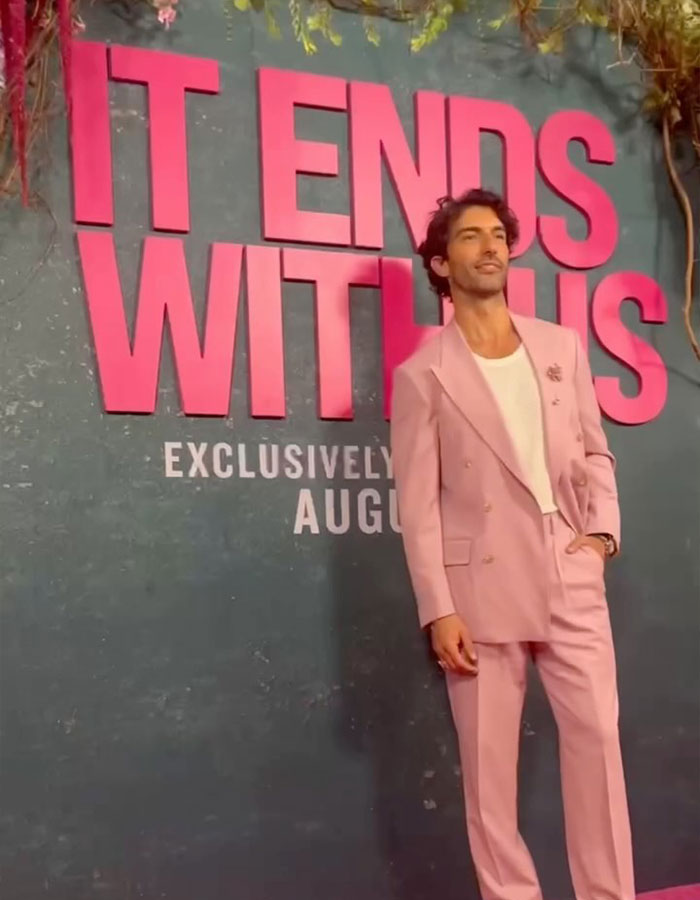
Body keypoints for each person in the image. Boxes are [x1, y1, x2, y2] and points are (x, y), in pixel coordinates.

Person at [390, 189, 635, 900]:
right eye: (470, 236)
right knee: (489, 779)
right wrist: (438, 608)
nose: (491, 245)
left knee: (598, 751)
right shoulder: (422, 376)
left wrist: (600, 536)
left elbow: (596, 454)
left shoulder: (561, 347)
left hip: (570, 570)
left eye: (498, 233)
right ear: (441, 262)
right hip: (480, 592)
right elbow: (418, 505)